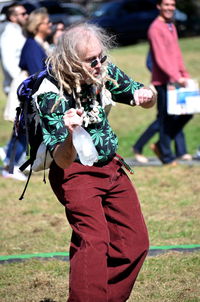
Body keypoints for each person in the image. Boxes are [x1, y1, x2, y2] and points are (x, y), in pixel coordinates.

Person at [33, 22, 156, 301]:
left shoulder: (104, 70)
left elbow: (139, 95)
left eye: (102, 57)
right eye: (92, 61)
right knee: (94, 241)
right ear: (71, 61)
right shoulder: (50, 93)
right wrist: (69, 133)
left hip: (111, 165)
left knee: (134, 243)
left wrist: (148, 96)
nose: (99, 64)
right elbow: (62, 161)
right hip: (75, 173)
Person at [133, 0, 193, 165]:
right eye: (166, 4)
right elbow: (160, 58)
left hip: (176, 79)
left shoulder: (170, 25)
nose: (170, 8)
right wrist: (175, 76)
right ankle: (166, 156)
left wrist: (184, 74)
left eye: (172, 5)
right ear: (159, 6)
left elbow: (176, 53)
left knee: (187, 113)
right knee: (166, 119)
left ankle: (159, 146)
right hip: (164, 81)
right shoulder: (155, 28)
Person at [0, 2, 29, 180]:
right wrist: (23, 81)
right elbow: (10, 63)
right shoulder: (9, 35)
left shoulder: (19, 32)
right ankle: (11, 167)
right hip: (17, 88)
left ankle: (8, 155)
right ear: (13, 17)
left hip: (22, 86)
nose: (26, 16)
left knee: (23, 126)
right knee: (22, 126)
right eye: (22, 14)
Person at [19, 7, 52, 75]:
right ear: (37, 25)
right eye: (48, 22)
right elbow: (37, 75)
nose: (50, 24)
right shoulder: (32, 47)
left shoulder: (41, 43)